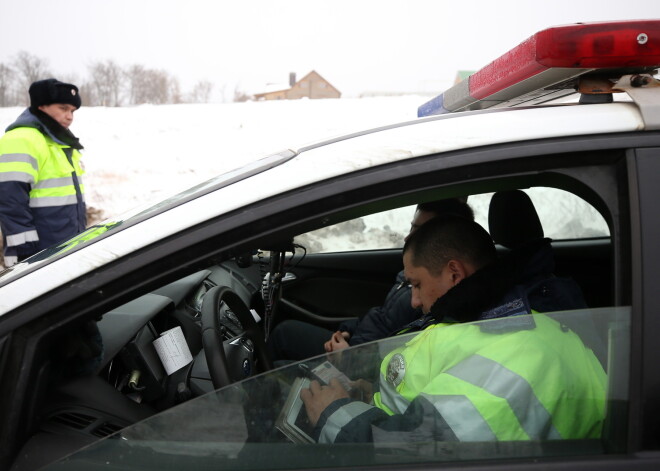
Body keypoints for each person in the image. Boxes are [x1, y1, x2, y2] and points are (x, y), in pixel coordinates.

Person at [300, 215, 606, 444]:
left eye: (416, 285)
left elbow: (427, 449)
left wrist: (337, 414)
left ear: (454, 273)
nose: (415, 301)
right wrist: (372, 395)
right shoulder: (479, 317)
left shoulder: (526, 352)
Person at [266, 198, 474, 362]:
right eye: (412, 228)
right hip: (356, 346)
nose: (407, 238)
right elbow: (380, 317)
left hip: (362, 361)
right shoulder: (413, 274)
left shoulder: (436, 295)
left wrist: (351, 359)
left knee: (279, 367)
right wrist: (346, 330)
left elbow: (401, 356)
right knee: (284, 332)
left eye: (420, 232)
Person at [0, 78, 86, 267]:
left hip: (65, 249)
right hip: (37, 255)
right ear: (41, 106)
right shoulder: (22, 139)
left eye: (72, 111)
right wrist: (26, 253)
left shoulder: (61, 142)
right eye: (63, 108)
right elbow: (9, 201)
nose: (70, 116)